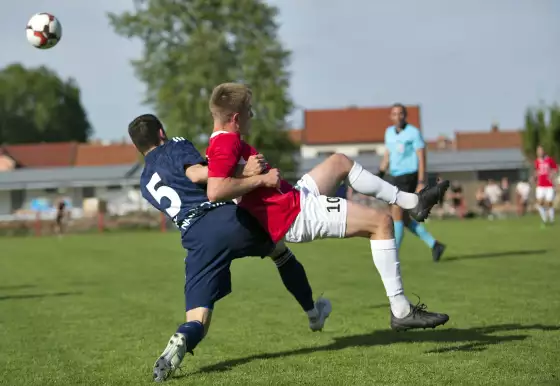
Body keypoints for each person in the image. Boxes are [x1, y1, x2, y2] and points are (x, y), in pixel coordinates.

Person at [205, 83, 450, 334]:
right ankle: (401, 311)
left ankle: (413, 202)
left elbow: (220, 175)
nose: (252, 116)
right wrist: (261, 179)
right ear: (235, 118)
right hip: (296, 214)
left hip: (294, 198)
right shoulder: (227, 143)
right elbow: (215, 191)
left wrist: (247, 174)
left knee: (339, 162)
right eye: (249, 111)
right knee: (382, 223)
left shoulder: (224, 142)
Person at [128, 114, 330, 382]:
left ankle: (182, 338)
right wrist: (243, 172)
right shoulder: (175, 145)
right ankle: (313, 313)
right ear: (162, 132)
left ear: (137, 146)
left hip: (196, 239)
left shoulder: (144, 182)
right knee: (279, 252)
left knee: (198, 320)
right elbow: (196, 174)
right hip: (225, 220)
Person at [379, 103, 446, 262]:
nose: (397, 116)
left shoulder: (413, 133)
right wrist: (380, 173)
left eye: (400, 113)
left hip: (409, 176)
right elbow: (388, 154)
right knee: (403, 219)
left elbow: (421, 156)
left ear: (405, 115)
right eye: (394, 114)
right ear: (391, 116)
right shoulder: (388, 133)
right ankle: (434, 244)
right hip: (394, 177)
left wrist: (421, 180)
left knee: (396, 215)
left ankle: (392, 254)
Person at [534, 145, 558, 227]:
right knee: (539, 203)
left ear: (543, 151)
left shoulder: (549, 160)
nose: (539, 152)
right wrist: (535, 177)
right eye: (538, 150)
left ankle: (551, 220)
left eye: (541, 150)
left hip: (549, 185)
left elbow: (555, 168)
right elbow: (537, 171)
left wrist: (552, 174)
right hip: (540, 185)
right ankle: (544, 219)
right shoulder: (537, 161)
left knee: (549, 204)